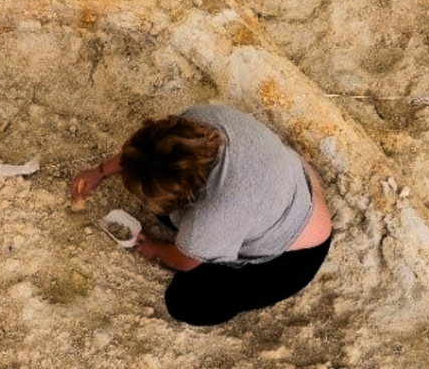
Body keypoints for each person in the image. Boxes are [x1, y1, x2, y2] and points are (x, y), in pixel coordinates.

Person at [70, 104, 333, 326]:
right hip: (295, 181)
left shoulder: (213, 215)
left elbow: (185, 261)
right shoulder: (197, 121)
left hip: (296, 254)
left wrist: (156, 249)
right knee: (178, 220)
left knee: (186, 302)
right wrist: (101, 171)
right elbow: (146, 149)